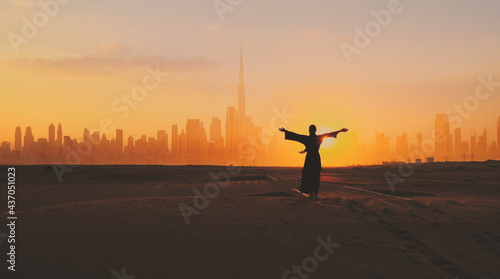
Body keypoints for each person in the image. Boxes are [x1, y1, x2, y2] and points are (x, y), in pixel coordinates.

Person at [279, 125, 348, 199]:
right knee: (316, 176)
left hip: (309, 159)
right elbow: (329, 134)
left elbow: (296, 136)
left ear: (309, 131)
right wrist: (340, 130)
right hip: (316, 158)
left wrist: (285, 131)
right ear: (315, 130)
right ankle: (316, 194)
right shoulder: (319, 138)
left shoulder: (306, 138)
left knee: (309, 176)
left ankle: (311, 194)